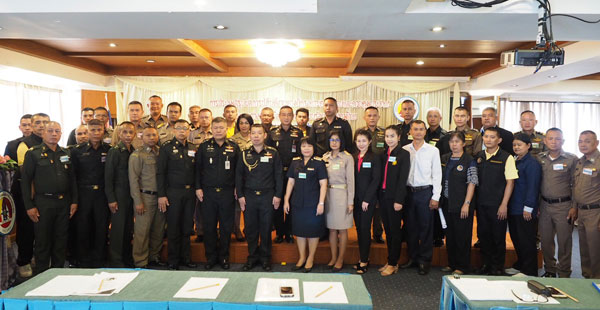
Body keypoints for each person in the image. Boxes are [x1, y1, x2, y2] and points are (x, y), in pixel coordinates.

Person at [21, 121, 78, 274]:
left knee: (60, 241)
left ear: (61, 134)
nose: (54, 134)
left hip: (64, 202)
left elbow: (72, 180)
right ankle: (41, 275)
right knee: (43, 242)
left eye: (57, 131)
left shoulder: (66, 153)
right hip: (43, 203)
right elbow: (25, 181)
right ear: (43, 133)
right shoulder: (33, 153)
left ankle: (58, 274)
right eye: (50, 131)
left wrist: (74, 201)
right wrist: (29, 206)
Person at [236, 124, 283, 271]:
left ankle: (265, 258)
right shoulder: (244, 154)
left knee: (266, 227)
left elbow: (279, 176)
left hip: (267, 196)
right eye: (253, 133)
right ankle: (252, 257)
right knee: (250, 228)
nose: (256, 136)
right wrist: (241, 195)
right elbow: (238, 176)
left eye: (259, 133)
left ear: (265, 135)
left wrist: (278, 195)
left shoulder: (273, 153)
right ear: (249, 135)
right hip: (249, 196)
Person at [195, 117, 240, 270]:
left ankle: (224, 257)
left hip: (227, 193)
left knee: (227, 227)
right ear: (212, 130)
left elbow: (239, 171)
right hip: (208, 193)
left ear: (226, 129)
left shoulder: (234, 147)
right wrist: (198, 188)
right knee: (209, 226)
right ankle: (211, 258)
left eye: (221, 127)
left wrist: (237, 188)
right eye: (216, 128)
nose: (219, 130)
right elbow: (197, 169)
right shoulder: (204, 146)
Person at [400, 120, 442, 276]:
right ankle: (413, 258)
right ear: (410, 131)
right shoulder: (404, 149)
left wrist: (436, 197)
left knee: (425, 228)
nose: (418, 132)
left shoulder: (432, 150)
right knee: (410, 227)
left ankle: (425, 261)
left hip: (425, 192)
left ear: (425, 132)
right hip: (408, 192)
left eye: (421, 129)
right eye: (415, 129)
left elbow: (437, 174)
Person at [475, 127, 518, 275]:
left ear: (499, 140)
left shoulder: (507, 157)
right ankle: (486, 264)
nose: (488, 139)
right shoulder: (479, 156)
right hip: (481, 203)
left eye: (492, 137)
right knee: (484, 235)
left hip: (498, 205)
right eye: (486, 136)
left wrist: (504, 204)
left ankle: (498, 267)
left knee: (498, 237)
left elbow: (510, 183)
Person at [70, 119, 112, 267]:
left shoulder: (109, 150)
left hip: (101, 194)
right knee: (83, 227)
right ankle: (83, 260)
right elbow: (72, 177)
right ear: (87, 131)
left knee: (101, 227)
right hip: (83, 194)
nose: (95, 133)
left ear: (103, 131)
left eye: (98, 130)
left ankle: (100, 259)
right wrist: (74, 199)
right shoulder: (76, 151)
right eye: (92, 130)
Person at [157, 119, 198, 270]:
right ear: (174, 130)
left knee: (187, 227)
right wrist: (161, 195)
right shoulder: (166, 148)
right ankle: (173, 260)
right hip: (173, 192)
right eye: (179, 128)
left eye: (185, 129)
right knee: (174, 227)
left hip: (189, 192)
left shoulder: (193, 147)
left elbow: (197, 171)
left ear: (189, 131)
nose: (182, 131)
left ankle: (186, 258)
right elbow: (160, 173)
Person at [537, 128, 578, 278]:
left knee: (564, 241)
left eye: (558, 139)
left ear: (563, 141)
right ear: (545, 141)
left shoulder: (571, 159)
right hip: (544, 206)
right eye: (551, 138)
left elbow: (576, 184)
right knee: (546, 241)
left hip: (564, 206)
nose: (554, 142)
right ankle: (550, 269)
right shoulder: (540, 158)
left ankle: (564, 272)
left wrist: (574, 207)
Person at [283, 137, 327, 273]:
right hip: (297, 203)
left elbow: (323, 184)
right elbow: (290, 182)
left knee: (313, 233)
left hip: (313, 203)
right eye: (303, 146)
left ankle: (310, 258)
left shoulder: (319, 163)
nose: (306, 149)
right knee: (300, 232)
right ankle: (302, 258)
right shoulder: (295, 162)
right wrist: (286, 200)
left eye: (309, 146)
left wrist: (321, 203)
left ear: (314, 148)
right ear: (299, 148)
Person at [16, 113, 49, 277]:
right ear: (32, 125)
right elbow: (26, 175)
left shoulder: (51, 142)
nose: (42, 125)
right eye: (38, 122)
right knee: (26, 229)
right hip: (28, 194)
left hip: (44, 195)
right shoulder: (25, 145)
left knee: (41, 230)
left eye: (45, 122)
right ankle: (24, 261)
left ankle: (38, 257)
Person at [439, 132, 477, 275]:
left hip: (462, 204)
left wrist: (467, 203)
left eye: (457, 141)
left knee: (462, 236)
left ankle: (462, 266)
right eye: (451, 142)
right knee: (450, 235)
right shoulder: (445, 158)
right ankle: (452, 263)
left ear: (463, 143)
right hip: (447, 203)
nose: (454, 144)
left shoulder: (469, 160)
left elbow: (472, 182)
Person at [129, 127, 166, 268]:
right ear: (141, 137)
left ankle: (154, 257)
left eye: (154, 135)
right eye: (148, 135)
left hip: (160, 197)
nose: (151, 137)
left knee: (158, 229)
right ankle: (140, 261)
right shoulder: (137, 155)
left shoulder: (160, 152)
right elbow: (133, 180)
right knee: (142, 231)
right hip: (145, 197)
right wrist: (138, 201)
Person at [507, 133, 541, 276]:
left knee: (526, 240)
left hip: (524, 209)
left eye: (519, 145)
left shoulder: (532, 163)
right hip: (513, 207)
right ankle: (521, 264)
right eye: (514, 145)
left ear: (528, 146)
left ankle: (529, 270)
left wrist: (528, 207)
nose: (516, 147)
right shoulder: (515, 160)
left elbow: (533, 187)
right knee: (517, 238)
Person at [378, 125, 410, 276]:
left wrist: (399, 200)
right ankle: (390, 260)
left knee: (395, 231)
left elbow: (403, 179)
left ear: (398, 137)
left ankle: (393, 262)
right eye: (387, 136)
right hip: (383, 197)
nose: (389, 139)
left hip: (395, 199)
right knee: (388, 231)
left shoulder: (403, 154)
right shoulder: (384, 154)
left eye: (392, 136)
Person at [267, 106, 303, 244]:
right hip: (277, 173)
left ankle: (289, 232)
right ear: (279, 116)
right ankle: (280, 232)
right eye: (283, 114)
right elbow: (268, 153)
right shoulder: (272, 133)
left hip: (293, 173)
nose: (286, 117)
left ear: (292, 116)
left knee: (291, 204)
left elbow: (301, 153)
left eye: (289, 115)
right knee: (277, 203)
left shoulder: (298, 133)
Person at [105, 122, 136, 267]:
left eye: (131, 132)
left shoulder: (133, 150)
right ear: (119, 134)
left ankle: (126, 257)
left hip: (131, 195)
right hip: (119, 195)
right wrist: (111, 199)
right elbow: (108, 177)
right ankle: (116, 260)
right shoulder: (115, 151)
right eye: (125, 132)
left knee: (128, 228)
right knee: (118, 229)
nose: (128, 136)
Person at [323, 130, 355, 272]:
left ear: (342, 141)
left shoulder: (347, 158)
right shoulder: (325, 157)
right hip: (328, 195)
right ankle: (333, 257)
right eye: (332, 140)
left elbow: (351, 181)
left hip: (342, 195)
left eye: (337, 139)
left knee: (342, 229)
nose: (334, 142)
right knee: (331, 229)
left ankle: (341, 259)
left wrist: (350, 201)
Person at [352, 129, 381, 274]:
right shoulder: (353, 157)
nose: (361, 143)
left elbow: (376, 180)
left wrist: (367, 199)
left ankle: (364, 260)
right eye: (358, 141)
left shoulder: (374, 158)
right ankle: (362, 258)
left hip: (367, 201)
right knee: (359, 229)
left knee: (364, 229)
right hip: (355, 199)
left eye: (364, 140)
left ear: (369, 142)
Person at [573, 130, 600, 279]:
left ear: (596, 143)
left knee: (596, 250)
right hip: (582, 212)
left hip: (595, 213)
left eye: (587, 141)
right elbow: (577, 187)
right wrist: (574, 207)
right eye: (580, 141)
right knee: (584, 250)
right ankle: (587, 280)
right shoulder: (580, 161)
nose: (583, 144)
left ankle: (597, 282)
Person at [356, 107, 385, 244]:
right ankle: (363, 234)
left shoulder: (383, 133)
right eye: (369, 115)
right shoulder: (360, 133)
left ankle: (378, 233)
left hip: (381, 171)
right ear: (364, 117)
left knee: (378, 205)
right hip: (366, 174)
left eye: (375, 115)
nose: (372, 118)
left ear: (378, 117)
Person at [189, 108, 213, 243]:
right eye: (202, 117)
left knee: (210, 204)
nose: (204, 120)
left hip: (211, 174)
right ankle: (200, 230)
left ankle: (212, 229)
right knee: (198, 204)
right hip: (196, 171)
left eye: (207, 117)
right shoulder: (192, 134)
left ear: (211, 118)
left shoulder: (215, 133)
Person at [425, 107, 448, 248]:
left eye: (435, 116)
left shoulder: (445, 135)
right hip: (424, 175)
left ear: (440, 118)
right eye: (430, 116)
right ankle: (427, 234)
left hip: (439, 173)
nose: (432, 118)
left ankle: (438, 236)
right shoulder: (423, 133)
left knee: (438, 205)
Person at [229, 113, 254, 241]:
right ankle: (237, 229)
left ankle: (248, 229)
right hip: (238, 175)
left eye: (246, 123)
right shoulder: (233, 139)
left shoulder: (255, 137)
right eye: (241, 123)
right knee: (237, 206)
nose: (244, 126)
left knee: (250, 205)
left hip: (252, 177)